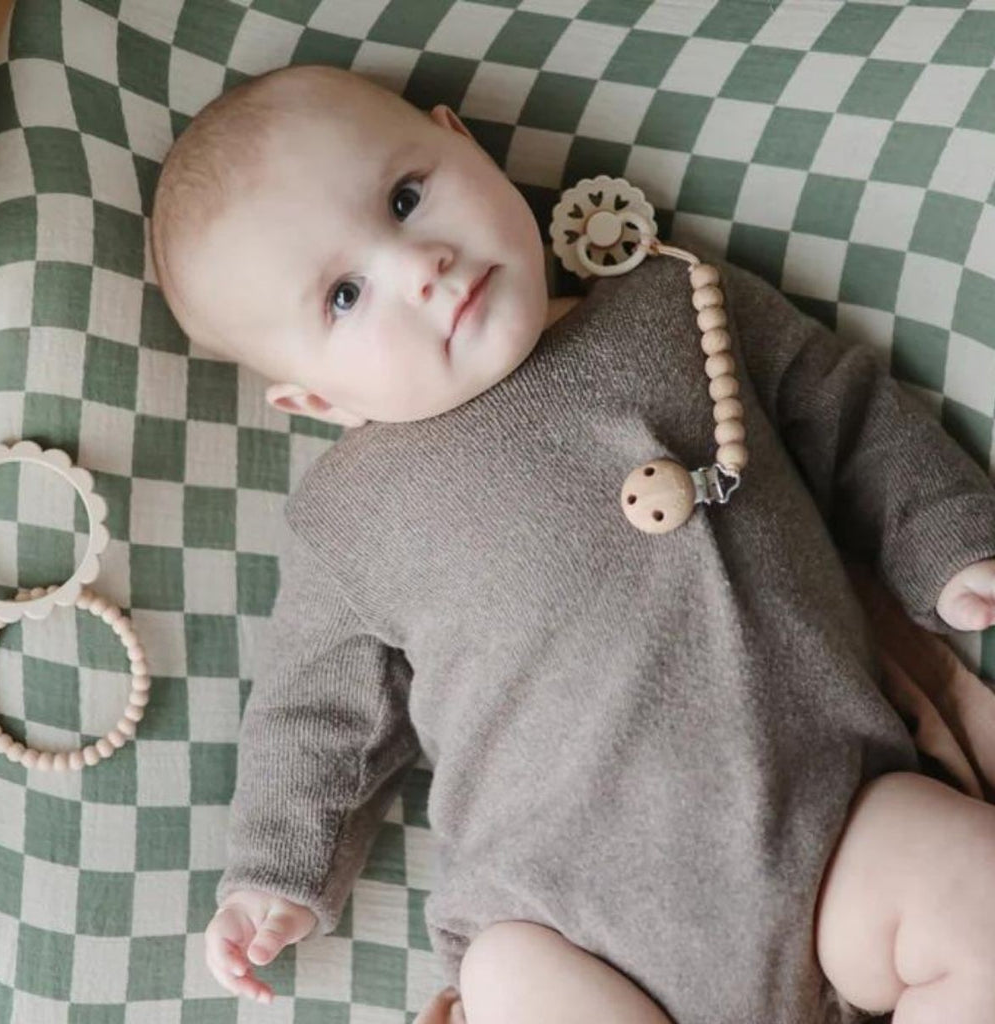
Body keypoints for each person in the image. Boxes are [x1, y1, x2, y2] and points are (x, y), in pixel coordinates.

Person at [150, 63, 995, 1024]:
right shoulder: (350, 513)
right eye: (344, 295)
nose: (419, 264)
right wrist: (274, 873)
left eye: (406, 198)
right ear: (315, 399)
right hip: (572, 934)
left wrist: (943, 533)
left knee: (973, 888)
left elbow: (841, 406)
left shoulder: (679, 304)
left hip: (836, 836)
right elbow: (313, 714)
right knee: (502, 975)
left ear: (461, 139)